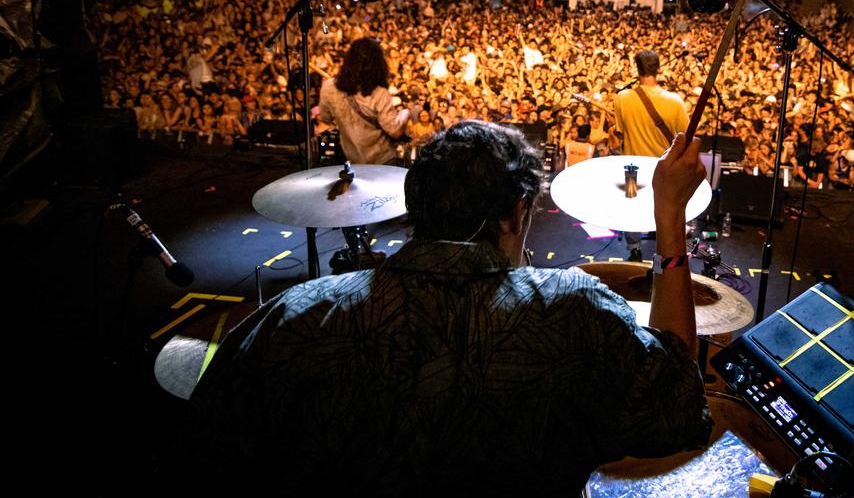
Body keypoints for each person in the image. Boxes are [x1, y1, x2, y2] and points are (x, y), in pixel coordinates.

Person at [188, 121, 712, 495]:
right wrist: (668, 214)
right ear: (516, 213)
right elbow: (677, 406)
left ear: (415, 207)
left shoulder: (295, 314)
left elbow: (208, 454)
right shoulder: (574, 312)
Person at [318, 38, 409, 165]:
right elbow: (394, 130)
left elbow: (325, 117)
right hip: (383, 161)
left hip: (352, 160)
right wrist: (405, 113)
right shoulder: (378, 93)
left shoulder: (328, 87)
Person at [613, 49, 689, 157]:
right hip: (662, 167)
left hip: (633, 168)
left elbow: (621, 134)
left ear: (637, 69)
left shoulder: (622, 98)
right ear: (658, 69)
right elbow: (686, 138)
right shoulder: (675, 101)